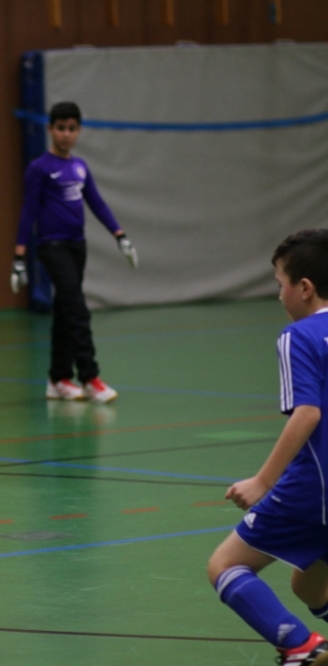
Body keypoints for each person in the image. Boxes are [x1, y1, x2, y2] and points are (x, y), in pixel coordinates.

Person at [207, 229, 328, 666]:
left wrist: (262, 481)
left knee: (225, 565)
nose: (279, 296)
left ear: (304, 287)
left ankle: (301, 647)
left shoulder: (299, 336)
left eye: (280, 285)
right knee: (309, 584)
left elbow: (307, 413)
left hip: (315, 490)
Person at [11, 101, 138, 404]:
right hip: (52, 247)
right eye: (61, 128)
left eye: (72, 128)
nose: (66, 134)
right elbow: (28, 211)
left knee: (65, 311)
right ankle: (90, 377)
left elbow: (97, 203)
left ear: (78, 131)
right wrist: (18, 257)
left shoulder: (79, 167)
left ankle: (58, 379)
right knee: (78, 309)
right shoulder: (39, 168)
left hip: (77, 246)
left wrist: (120, 236)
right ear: (50, 129)